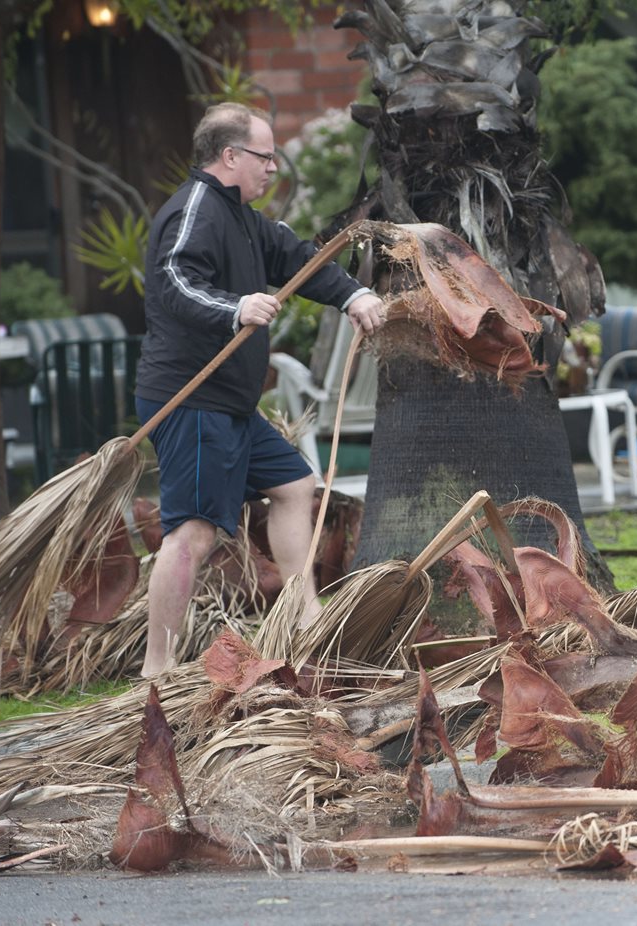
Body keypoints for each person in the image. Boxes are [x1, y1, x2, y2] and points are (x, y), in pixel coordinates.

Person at [135, 102, 384, 677]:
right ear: (229, 156)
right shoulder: (195, 209)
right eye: (264, 157)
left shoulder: (246, 218)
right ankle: (157, 670)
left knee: (294, 485)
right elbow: (173, 281)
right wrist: (236, 306)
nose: (273, 168)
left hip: (231, 405)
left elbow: (299, 260)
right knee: (192, 533)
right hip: (190, 400)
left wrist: (353, 295)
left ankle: (303, 620)